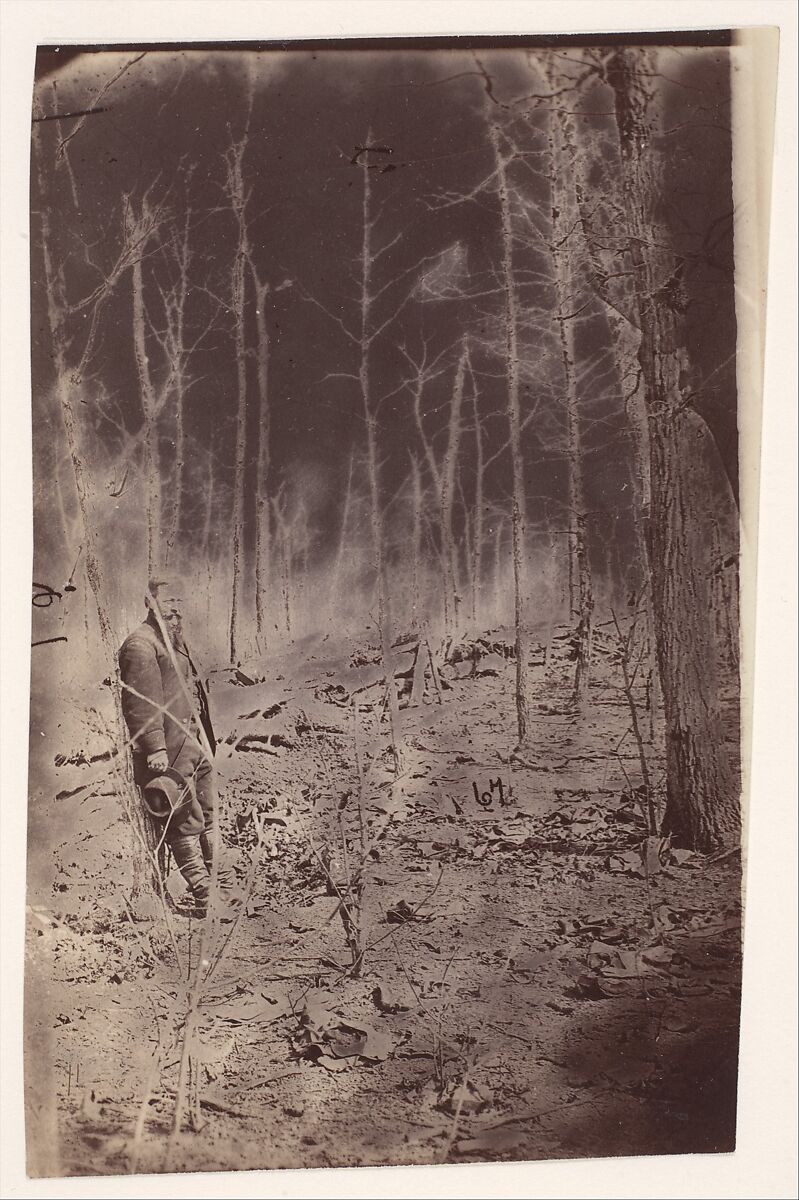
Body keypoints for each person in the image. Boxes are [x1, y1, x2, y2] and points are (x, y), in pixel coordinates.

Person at [118, 575, 229, 911]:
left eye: (179, 601)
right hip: (167, 747)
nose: (175, 608)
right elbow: (141, 702)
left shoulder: (174, 638)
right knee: (179, 817)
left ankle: (222, 887)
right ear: (150, 603)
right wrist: (155, 748)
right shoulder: (140, 644)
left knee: (207, 813)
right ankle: (205, 896)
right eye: (168, 601)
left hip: (192, 741)